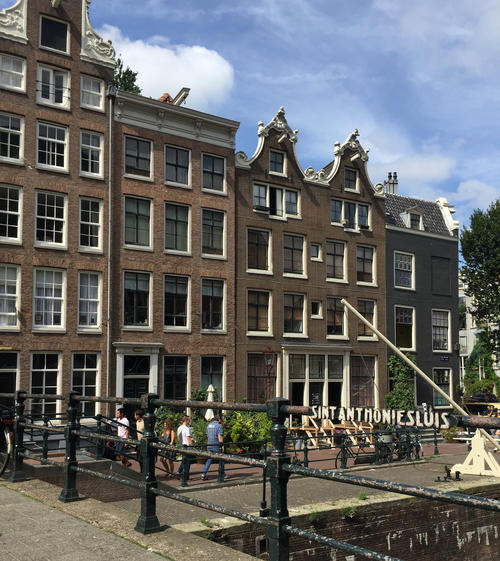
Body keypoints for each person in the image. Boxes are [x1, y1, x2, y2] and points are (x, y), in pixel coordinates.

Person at [201, 415, 227, 481]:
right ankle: (223, 474)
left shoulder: (209, 425)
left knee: (209, 459)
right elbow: (219, 437)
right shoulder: (218, 426)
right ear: (219, 420)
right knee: (221, 459)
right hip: (216, 445)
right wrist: (222, 445)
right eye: (221, 420)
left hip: (209, 444)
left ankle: (203, 474)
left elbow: (207, 435)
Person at [177, 415, 194, 483]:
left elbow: (178, 437)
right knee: (187, 462)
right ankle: (185, 476)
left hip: (181, 445)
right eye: (189, 420)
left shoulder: (179, 428)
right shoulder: (187, 428)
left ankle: (179, 472)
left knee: (184, 460)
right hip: (187, 446)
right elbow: (188, 438)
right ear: (186, 421)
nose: (189, 421)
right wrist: (192, 445)